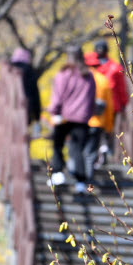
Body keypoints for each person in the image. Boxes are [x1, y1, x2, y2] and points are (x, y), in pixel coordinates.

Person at [46, 49, 96, 191]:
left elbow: (57, 96)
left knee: (58, 145)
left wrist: (54, 111)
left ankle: (57, 173)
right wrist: (89, 113)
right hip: (82, 118)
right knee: (77, 150)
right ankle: (80, 182)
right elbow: (92, 98)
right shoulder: (88, 76)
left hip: (63, 117)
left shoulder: (63, 75)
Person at [83, 51, 114, 189]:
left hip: (80, 121)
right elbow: (109, 107)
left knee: (79, 149)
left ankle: (79, 178)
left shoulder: (80, 79)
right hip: (97, 122)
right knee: (91, 152)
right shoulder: (103, 81)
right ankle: (88, 178)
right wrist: (108, 127)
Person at [92, 39, 128, 158]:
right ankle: (101, 151)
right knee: (103, 129)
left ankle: (103, 151)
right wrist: (123, 103)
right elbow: (121, 88)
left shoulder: (113, 67)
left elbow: (121, 87)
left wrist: (123, 102)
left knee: (106, 129)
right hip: (102, 104)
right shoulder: (112, 67)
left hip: (109, 105)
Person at [10, 47, 42, 127]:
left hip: (7, 110)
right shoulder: (30, 71)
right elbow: (35, 94)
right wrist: (37, 115)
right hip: (25, 109)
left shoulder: (9, 71)